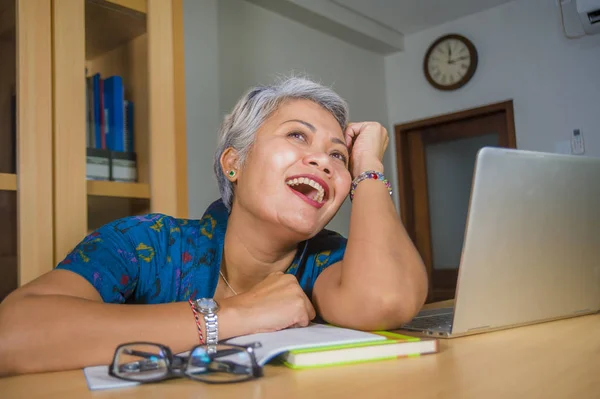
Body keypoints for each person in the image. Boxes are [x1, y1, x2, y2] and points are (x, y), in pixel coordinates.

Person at [0, 76, 427, 376]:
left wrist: (369, 165)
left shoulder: (326, 260)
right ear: (234, 162)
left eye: (338, 156)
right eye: (297, 136)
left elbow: (385, 299)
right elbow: (13, 335)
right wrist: (232, 316)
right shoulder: (146, 242)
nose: (323, 160)